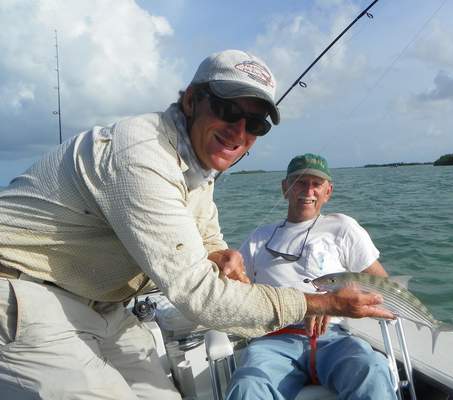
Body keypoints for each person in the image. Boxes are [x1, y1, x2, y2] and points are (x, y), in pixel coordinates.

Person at [0, 50, 392, 399]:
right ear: (191, 100)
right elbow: (201, 296)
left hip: (103, 304)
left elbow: (209, 240)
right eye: (227, 110)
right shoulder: (142, 154)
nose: (239, 131)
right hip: (24, 291)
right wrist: (323, 303)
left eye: (255, 124)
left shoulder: (198, 171)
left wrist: (220, 256)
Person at [226, 153, 397, 400]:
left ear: (328, 192)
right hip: (274, 339)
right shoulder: (258, 238)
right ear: (285, 188)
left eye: (316, 184)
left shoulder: (343, 227)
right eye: (300, 182)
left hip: (334, 339)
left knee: (373, 369)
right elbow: (234, 291)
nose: (308, 191)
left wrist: (334, 303)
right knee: (248, 384)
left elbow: (383, 288)